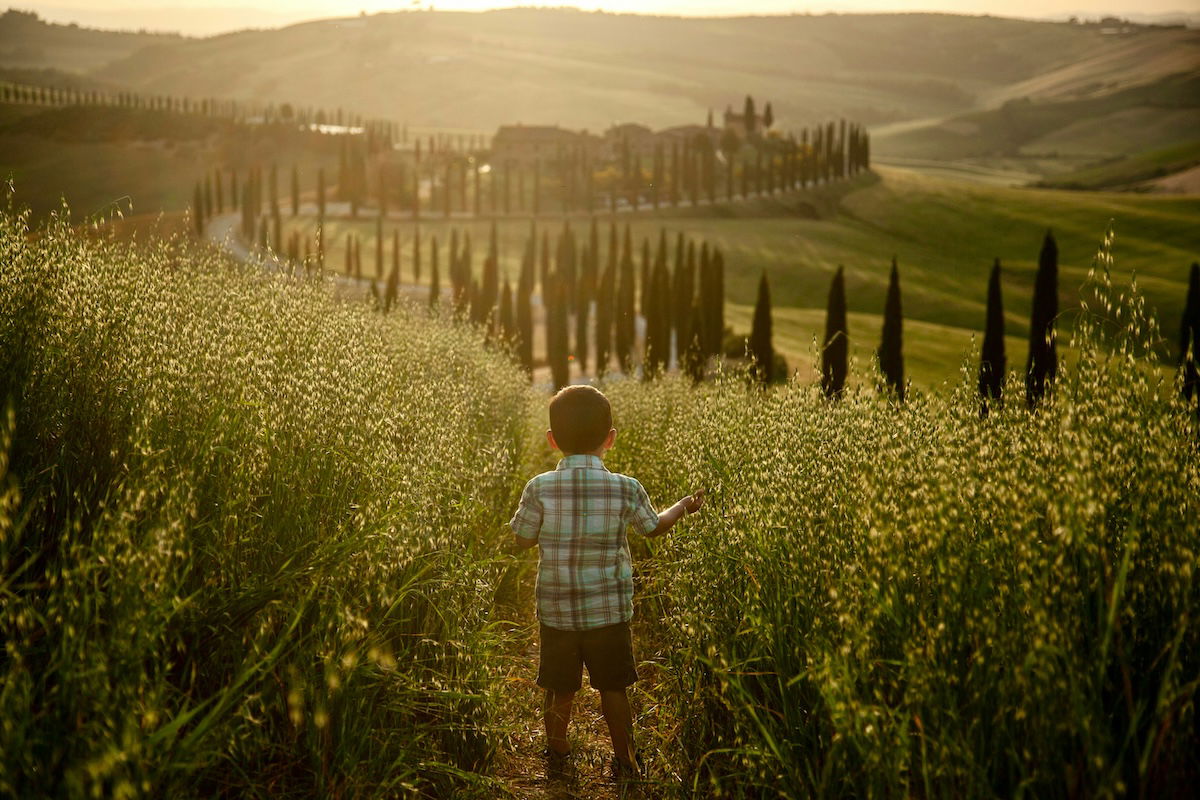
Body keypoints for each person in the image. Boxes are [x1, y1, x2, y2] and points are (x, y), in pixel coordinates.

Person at [509, 385, 705, 779]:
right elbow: (653, 528)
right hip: (610, 613)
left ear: (552, 440)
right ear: (610, 438)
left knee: (559, 687)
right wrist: (683, 506)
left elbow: (522, 539)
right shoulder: (626, 488)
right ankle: (627, 758)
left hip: (557, 611)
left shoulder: (540, 488)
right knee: (615, 688)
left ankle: (557, 753)